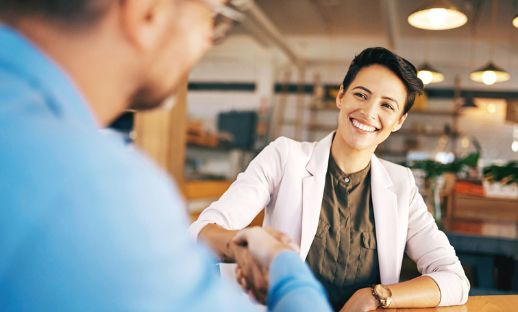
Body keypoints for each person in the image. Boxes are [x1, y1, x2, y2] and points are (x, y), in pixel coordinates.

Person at [0, 0, 333, 311]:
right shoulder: (96, 189)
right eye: (215, 23)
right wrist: (283, 263)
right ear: (147, 10)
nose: (206, 44)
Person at [191, 47, 471, 311]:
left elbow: (454, 279)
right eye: (361, 95)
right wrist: (246, 242)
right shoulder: (285, 156)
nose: (370, 112)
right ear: (341, 96)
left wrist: (376, 295)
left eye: (387, 105)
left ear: (399, 121)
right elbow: (201, 232)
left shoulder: (401, 184)